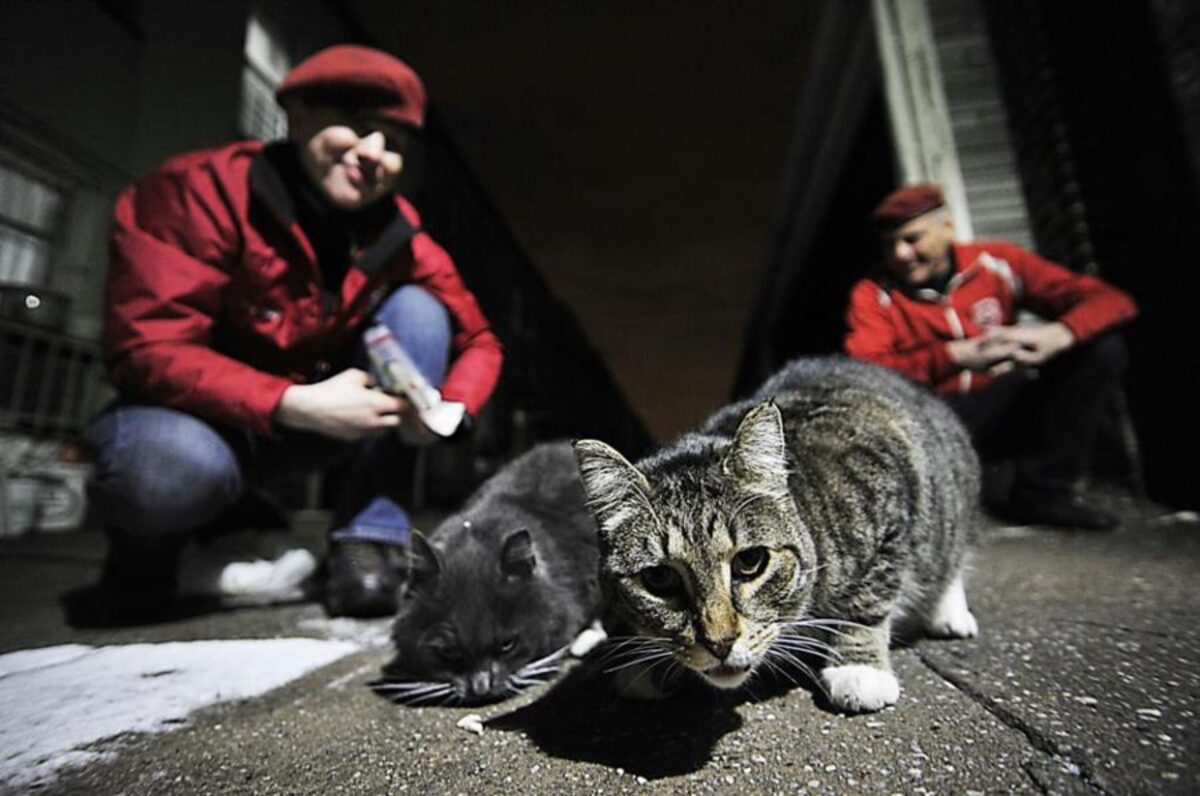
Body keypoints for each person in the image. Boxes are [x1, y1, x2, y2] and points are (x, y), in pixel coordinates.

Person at [84, 44, 503, 619]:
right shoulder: (195, 191)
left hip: (314, 427)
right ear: (299, 115)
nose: (375, 153)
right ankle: (150, 552)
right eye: (359, 127)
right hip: (188, 422)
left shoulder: (404, 240)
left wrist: (451, 413)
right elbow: (145, 347)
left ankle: (369, 544)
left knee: (421, 309)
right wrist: (290, 402)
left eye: (397, 143)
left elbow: (481, 340)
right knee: (162, 475)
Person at [844, 183, 1137, 530]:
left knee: (1102, 350)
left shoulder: (997, 261)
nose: (901, 254)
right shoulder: (872, 294)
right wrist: (953, 355)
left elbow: (1114, 301)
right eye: (890, 244)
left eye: (912, 239)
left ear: (947, 227)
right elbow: (865, 370)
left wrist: (1058, 334)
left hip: (1004, 400)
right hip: (937, 417)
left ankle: (1042, 494)